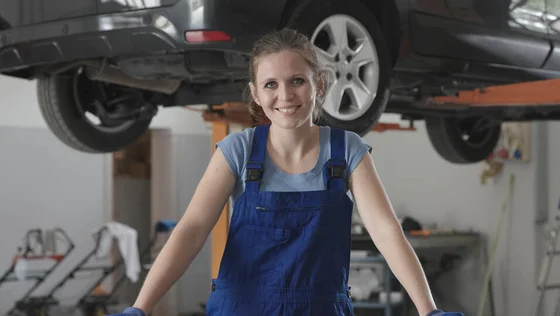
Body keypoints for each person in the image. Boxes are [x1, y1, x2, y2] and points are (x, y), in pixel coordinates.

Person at [110, 28, 463, 316]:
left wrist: (427, 309)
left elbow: (387, 232)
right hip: (241, 310)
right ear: (255, 94)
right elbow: (191, 230)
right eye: (270, 85)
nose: (285, 96)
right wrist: (141, 308)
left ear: (319, 84)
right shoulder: (239, 151)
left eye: (297, 80)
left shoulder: (348, 150)